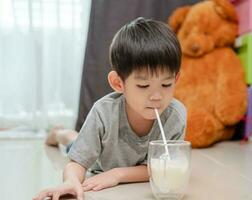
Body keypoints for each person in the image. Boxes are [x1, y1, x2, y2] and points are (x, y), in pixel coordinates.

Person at [33, 17, 186, 200]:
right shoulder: (103, 113)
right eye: (143, 86)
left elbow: (160, 166)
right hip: (98, 158)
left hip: (117, 166)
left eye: (166, 84)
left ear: (176, 79)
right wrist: (70, 181)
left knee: (77, 140)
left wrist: (117, 175)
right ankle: (59, 134)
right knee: (74, 142)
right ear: (118, 83)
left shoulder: (175, 116)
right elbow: (78, 163)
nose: (156, 96)